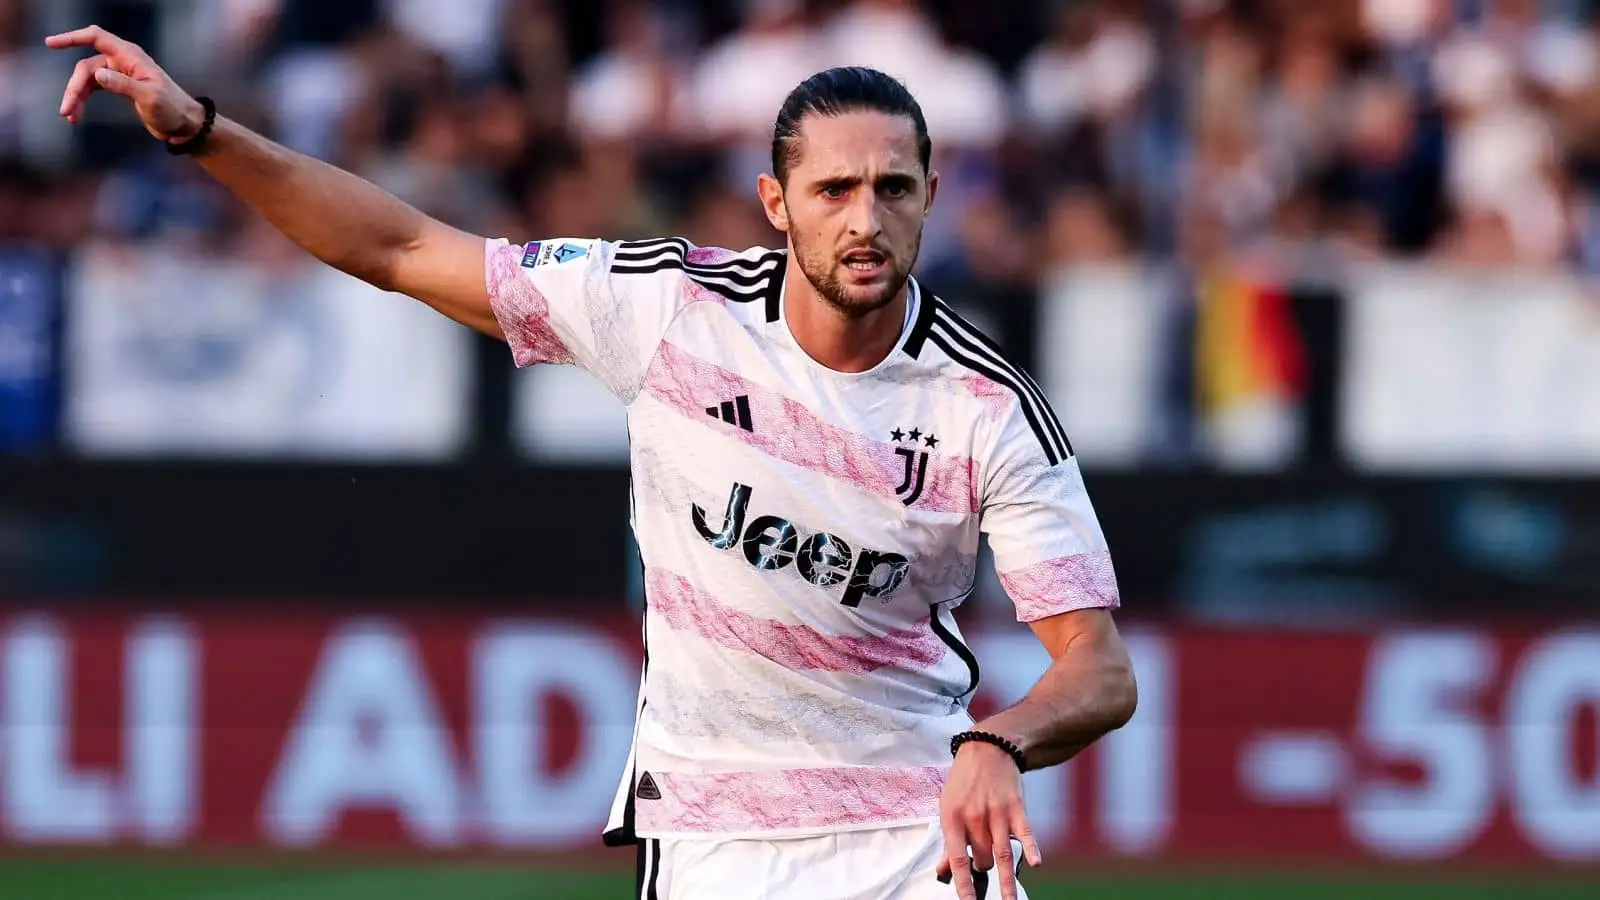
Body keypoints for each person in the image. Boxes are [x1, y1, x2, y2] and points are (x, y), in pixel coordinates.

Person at [47, 24, 1138, 900]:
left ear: (930, 201)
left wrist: (997, 742)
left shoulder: (987, 406)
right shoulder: (665, 306)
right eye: (833, 190)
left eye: (893, 190)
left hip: (916, 825)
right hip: (714, 835)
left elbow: (1095, 666)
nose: (866, 219)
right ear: (777, 205)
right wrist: (198, 130)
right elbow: (399, 248)